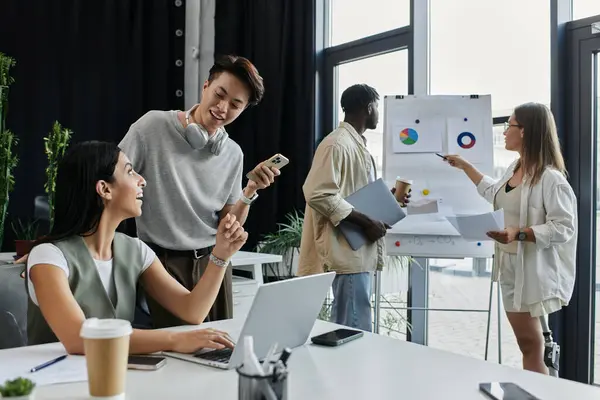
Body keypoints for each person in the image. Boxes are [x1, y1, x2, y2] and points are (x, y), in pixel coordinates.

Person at [25, 141, 246, 354]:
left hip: (118, 376)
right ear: (104, 189)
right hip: (56, 385)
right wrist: (175, 340)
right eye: (130, 172)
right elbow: (78, 339)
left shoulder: (135, 250)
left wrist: (221, 254)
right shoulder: (49, 256)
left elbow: (192, 311)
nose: (142, 180)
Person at [118, 55, 280, 327]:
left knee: (217, 351)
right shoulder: (151, 127)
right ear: (205, 86)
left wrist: (249, 191)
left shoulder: (232, 154)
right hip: (161, 263)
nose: (222, 107)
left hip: (212, 262)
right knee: (171, 354)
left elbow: (228, 229)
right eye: (219, 94)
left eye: (235, 105)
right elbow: (110, 182)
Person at [443, 102, 577, 374]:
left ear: (526, 131)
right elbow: (492, 191)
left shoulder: (551, 180)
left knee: (531, 344)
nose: (505, 132)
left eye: (510, 126)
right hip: (510, 271)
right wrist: (465, 166)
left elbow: (564, 227)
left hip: (532, 274)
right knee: (529, 343)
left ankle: (539, 393)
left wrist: (520, 233)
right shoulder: (514, 170)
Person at [298, 84, 409, 332]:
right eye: (377, 107)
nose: (378, 113)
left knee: (354, 324)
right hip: (345, 252)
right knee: (352, 329)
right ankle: (349, 372)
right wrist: (367, 222)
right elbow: (318, 193)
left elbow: (352, 194)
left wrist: (387, 200)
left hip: (354, 251)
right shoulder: (337, 145)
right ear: (369, 107)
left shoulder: (354, 144)